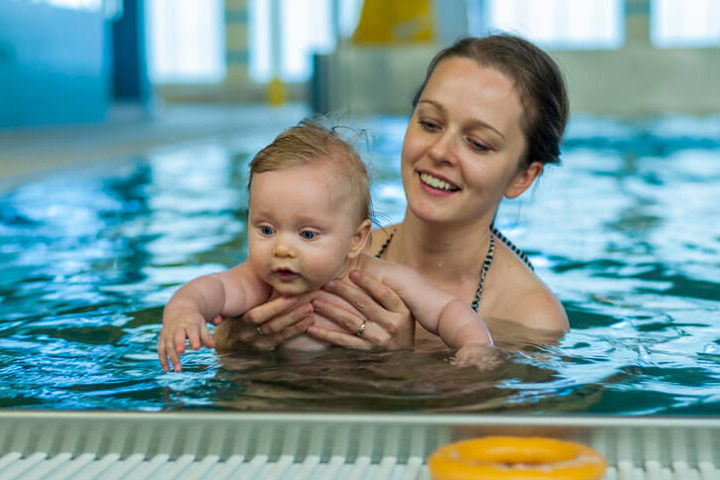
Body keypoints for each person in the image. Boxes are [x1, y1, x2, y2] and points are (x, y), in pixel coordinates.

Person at [227, 33, 571, 352]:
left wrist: (400, 367)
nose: (439, 151)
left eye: (478, 144)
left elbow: (489, 419)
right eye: (430, 123)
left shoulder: (533, 320)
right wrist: (237, 343)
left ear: (523, 178)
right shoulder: (321, 253)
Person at [157, 120, 492, 372]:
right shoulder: (258, 281)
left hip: (361, 387)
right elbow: (208, 289)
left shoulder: (380, 278)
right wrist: (184, 313)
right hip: (274, 386)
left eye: (307, 235)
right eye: (267, 229)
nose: (282, 248)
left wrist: (476, 344)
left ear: (356, 240)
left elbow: (447, 309)